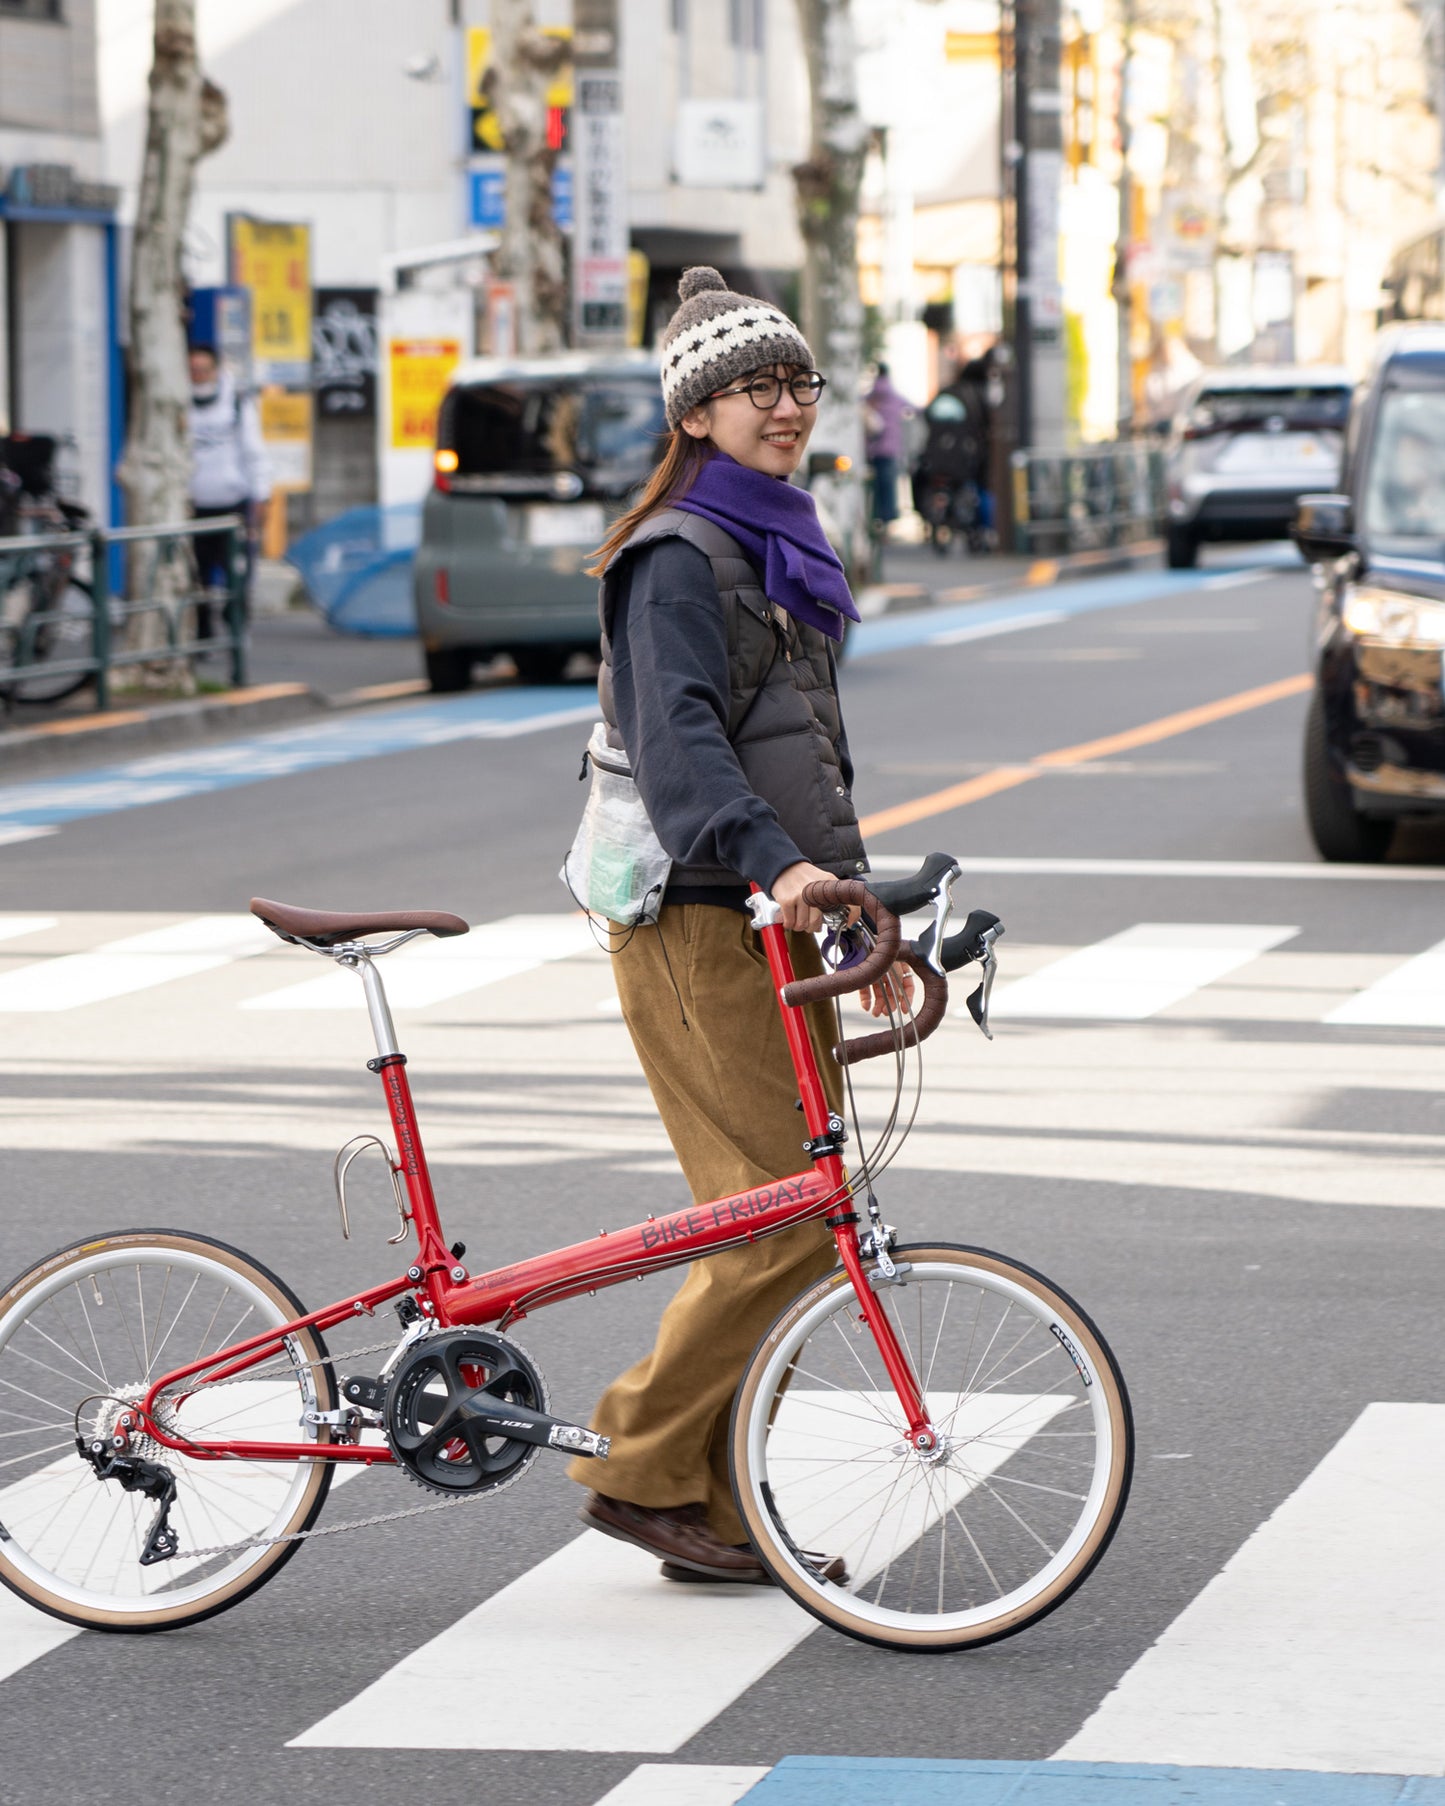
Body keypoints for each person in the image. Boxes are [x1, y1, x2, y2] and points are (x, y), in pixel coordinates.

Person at [567, 267, 914, 1585]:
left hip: (762, 916)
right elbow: (685, 757)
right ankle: (637, 1459)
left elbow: (799, 760)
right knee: (775, 1219)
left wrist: (858, 914)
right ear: (695, 413)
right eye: (752, 388)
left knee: (777, 1217)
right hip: (690, 915)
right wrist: (783, 875)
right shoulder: (676, 558)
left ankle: (707, 1498)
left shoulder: (777, 539)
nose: (784, 406)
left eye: (797, 382)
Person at [187, 344, 270, 640]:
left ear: (216, 370)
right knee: (196, 576)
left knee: (238, 574)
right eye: (193, 370)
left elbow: (254, 453)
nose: (198, 376)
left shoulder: (235, 402)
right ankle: (203, 633)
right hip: (192, 505)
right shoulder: (175, 403)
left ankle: (235, 629)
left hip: (232, 504)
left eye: (204, 369)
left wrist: (260, 496)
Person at [862, 362, 915, 533]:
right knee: (889, 486)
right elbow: (914, 409)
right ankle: (887, 521)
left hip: (871, 449)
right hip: (891, 448)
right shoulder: (895, 396)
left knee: (874, 487)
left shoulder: (870, 397)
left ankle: (875, 521)